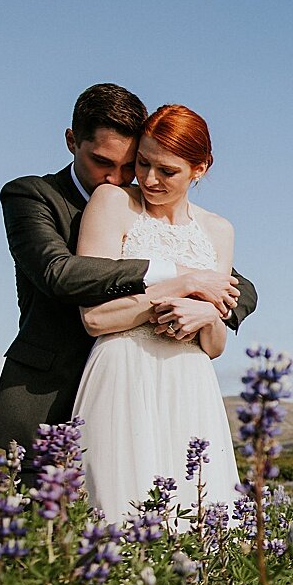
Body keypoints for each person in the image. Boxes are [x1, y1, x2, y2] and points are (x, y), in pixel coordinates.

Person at [0, 84, 257, 460]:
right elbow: (57, 273)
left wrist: (215, 308)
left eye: (130, 164)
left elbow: (240, 285)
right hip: (50, 393)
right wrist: (175, 275)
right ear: (71, 141)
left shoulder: (149, 205)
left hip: (158, 391)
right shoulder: (32, 195)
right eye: (102, 162)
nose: (120, 178)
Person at [70, 104, 242, 517]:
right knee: (118, 512)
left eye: (167, 171)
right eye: (143, 163)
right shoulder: (112, 202)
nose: (149, 179)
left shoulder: (218, 230)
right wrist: (181, 286)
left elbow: (215, 347)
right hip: (123, 373)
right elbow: (94, 318)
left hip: (190, 382)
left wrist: (208, 317)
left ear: (199, 168)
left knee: (198, 516)